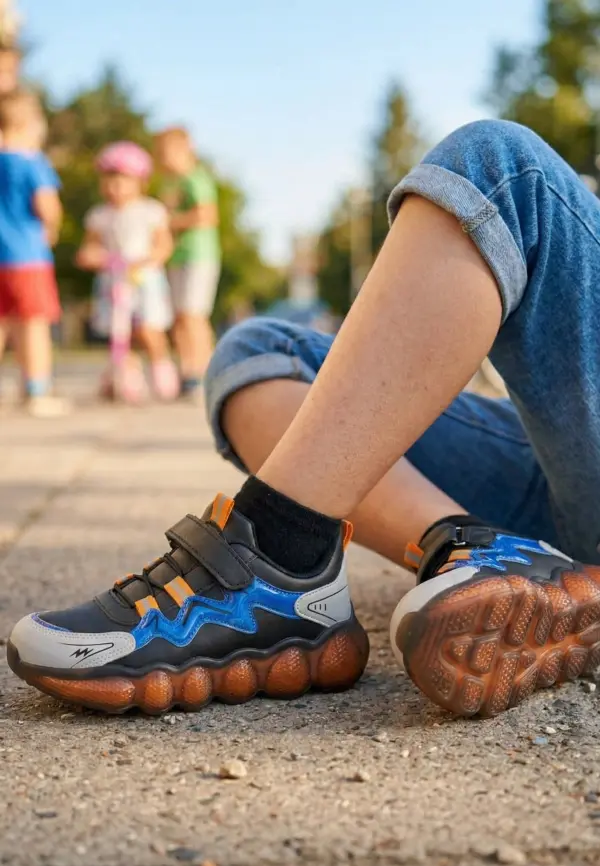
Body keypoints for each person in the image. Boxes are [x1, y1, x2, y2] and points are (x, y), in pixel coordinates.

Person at [8, 120, 600, 719]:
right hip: (556, 463)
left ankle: (276, 555)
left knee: (503, 171)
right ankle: (475, 549)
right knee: (258, 353)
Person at [77, 142, 179, 402]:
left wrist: (150, 258)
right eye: (109, 180)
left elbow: (164, 244)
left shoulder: (150, 211)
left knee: (148, 328)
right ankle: (127, 377)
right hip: (113, 280)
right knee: (119, 332)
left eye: (122, 181)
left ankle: (162, 370)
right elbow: (90, 247)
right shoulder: (99, 215)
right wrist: (92, 255)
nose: (115, 187)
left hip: (143, 279)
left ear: (140, 182)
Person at [0, 88, 68, 417]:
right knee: (33, 324)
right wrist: (52, 225)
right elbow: (47, 206)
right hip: (27, 256)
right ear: (30, 125)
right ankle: (37, 390)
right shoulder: (32, 162)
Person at [154, 127, 221, 400]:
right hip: (176, 257)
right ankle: (187, 372)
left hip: (199, 256)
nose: (163, 159)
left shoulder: (196, 179)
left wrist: (170, 221)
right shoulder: (167, 184)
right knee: (179, 317)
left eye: (167, 152)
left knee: (194, 314)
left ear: (185, 150)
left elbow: (207, 216)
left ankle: (205, 372)